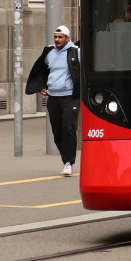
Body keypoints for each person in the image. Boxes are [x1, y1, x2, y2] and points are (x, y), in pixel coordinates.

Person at [27, 25, 81, 176]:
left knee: (68, 128)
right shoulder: (49, 52)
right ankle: (66, 159)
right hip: (53, 97)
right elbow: (42, 71)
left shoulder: (76, 52)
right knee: (57, 131)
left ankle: (68, 162)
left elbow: (83, 72)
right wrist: (41, 86)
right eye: (55, 37)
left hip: (70, 96)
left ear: (67, 38)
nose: (57, 40)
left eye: (60, 37)